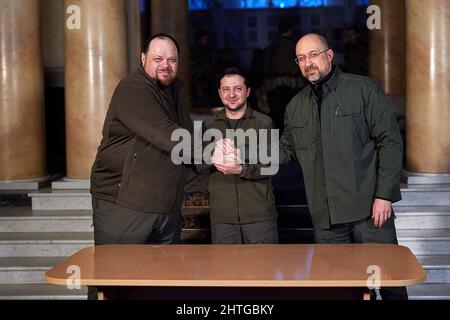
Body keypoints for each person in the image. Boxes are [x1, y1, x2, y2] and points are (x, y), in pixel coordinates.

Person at [278, 33, 406, 300]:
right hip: (326, 222)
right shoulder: (295, 106)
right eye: (301, 58)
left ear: (329, 55)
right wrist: (243, 153)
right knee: (338, 290)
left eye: (313, 55)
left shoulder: (362, 89)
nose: (308, 63)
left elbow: (390, 141)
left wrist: (384, 195)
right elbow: (285, 150)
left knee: (390, 283)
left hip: (369, 214)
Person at [90, 33, 193, 247]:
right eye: (158, 59)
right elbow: (167, 135)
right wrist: (215, 152)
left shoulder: (177, 92)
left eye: (172, 60)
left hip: (166, 206)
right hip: (127, 205)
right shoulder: (133, 87)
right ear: (143, 58)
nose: (165, 65)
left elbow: (183, 145)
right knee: (119, 274)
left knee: (165, 277)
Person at [201, 67, 278, 244]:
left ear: (248, 91)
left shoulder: (264, 123)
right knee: (226, 271)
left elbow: (271, 165)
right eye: (226, 89)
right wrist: (212, 157)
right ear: (220, 93)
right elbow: (201, 163)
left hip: (259, 215)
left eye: (238, 88)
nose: (232, 94)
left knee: (264, 270)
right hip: (223, 217)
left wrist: (241, 169)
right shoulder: (209, 125)